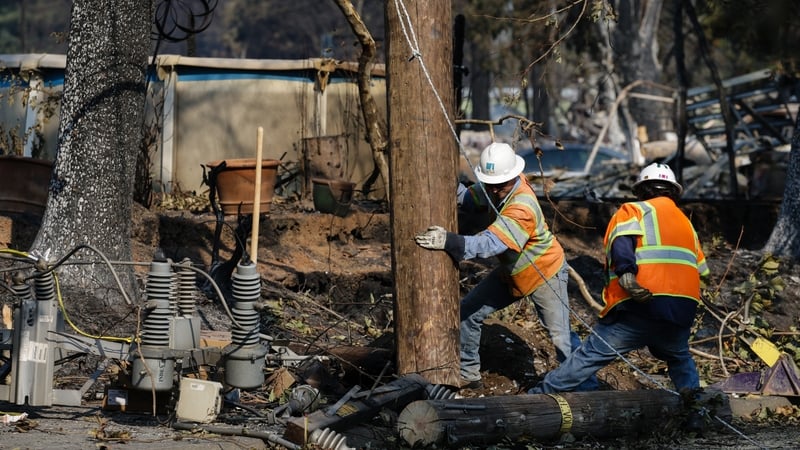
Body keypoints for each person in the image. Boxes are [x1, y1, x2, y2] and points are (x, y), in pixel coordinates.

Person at [415, 142, 594, 390]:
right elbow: (469, 198)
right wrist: (443, 181)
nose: (496, 190)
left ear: (512, 176)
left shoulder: (522, 206)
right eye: (491, 184)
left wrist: (449, 241)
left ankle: (587, 390)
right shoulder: (494, 184)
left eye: (501, 185)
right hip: (514, 272)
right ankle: (468, 372)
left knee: (561, 336)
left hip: (544, 272)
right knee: (468, 311)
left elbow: (491, 244)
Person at [528, 162, 710, 394]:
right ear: (673, 192)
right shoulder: (687, 224)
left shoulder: (633, 210)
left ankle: (540, 395)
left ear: (642, 190)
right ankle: (696, 410)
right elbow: (702, 271)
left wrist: (627, 275)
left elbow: (622, 243)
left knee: (590, 355)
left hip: (641, 305)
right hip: (681, 311)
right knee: (679, 358)